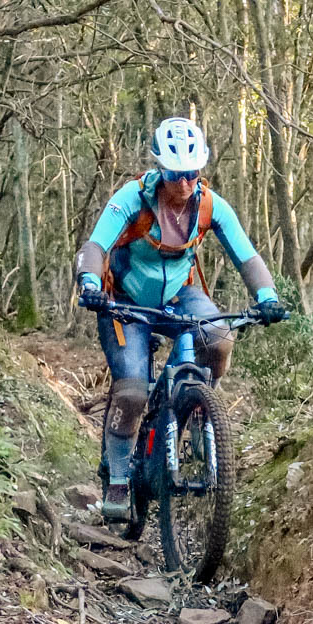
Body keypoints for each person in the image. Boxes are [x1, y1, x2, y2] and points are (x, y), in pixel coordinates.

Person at [73, 117, 287, 521]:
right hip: (125, 302)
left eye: (192, 173)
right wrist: (88, 282)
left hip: (177, 297)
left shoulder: (209, 205)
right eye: (175, 174)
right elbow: (95, 245)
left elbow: (246, 254)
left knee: (219, 335)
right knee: (133, 391)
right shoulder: (131, 199)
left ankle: (203, 405)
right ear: (160, 169)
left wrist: (267, 297)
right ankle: (118, 476)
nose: (184, 183)